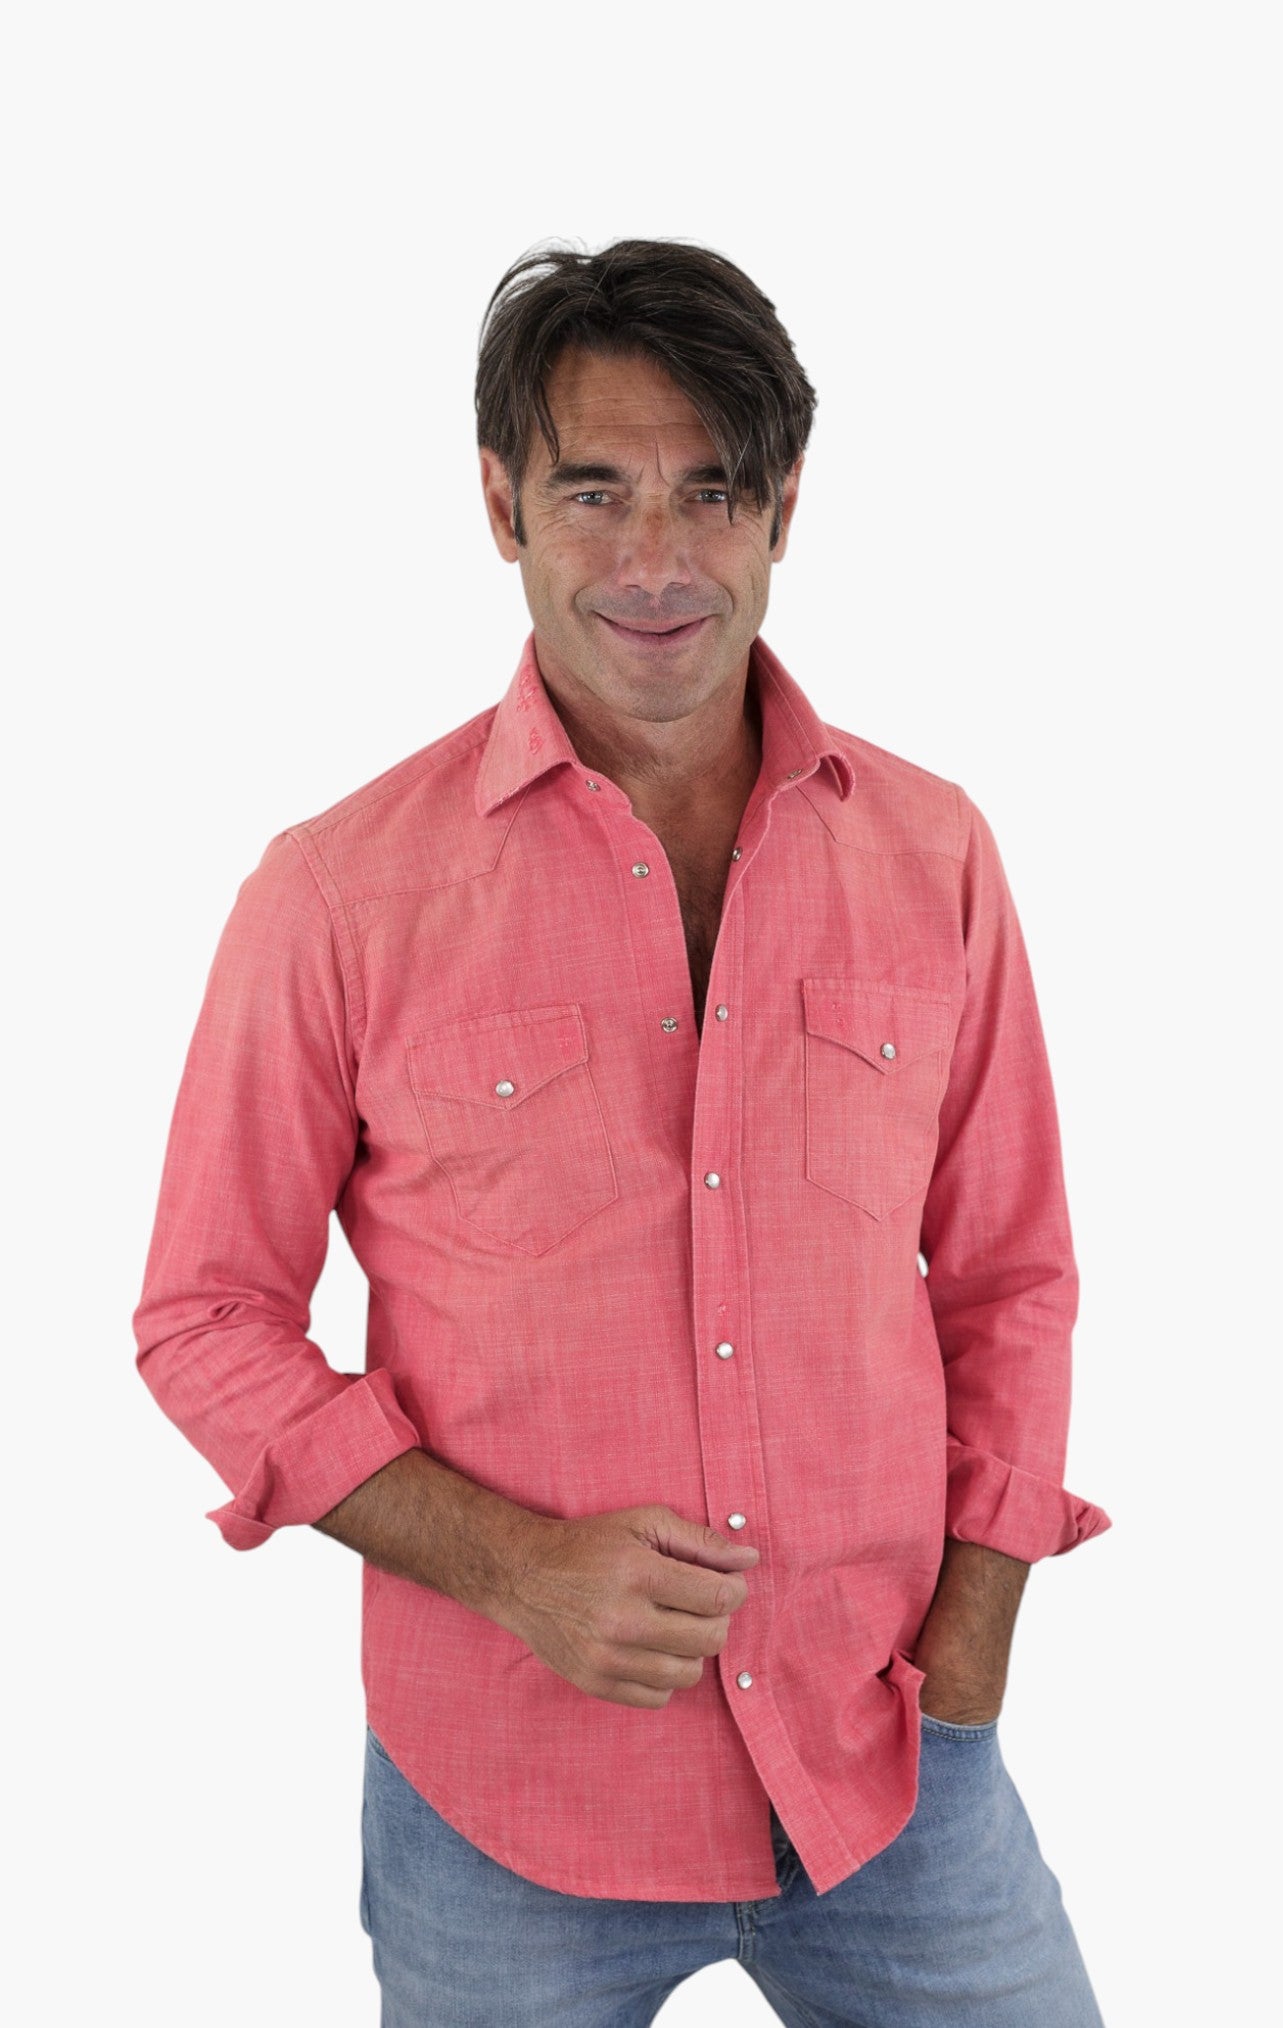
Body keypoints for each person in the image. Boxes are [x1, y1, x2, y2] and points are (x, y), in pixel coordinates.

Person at [133, 237, 1112, 2026]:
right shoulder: (338, 893)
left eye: (709, 492)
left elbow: (1010, 1274)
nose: (654, 560)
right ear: (499, 505)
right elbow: (204, 1318)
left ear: (784, 509)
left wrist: (973, 1641)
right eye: (593, 491)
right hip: (505, 1800)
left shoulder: (935, 850)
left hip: (891, 1767)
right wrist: (510, 1569)